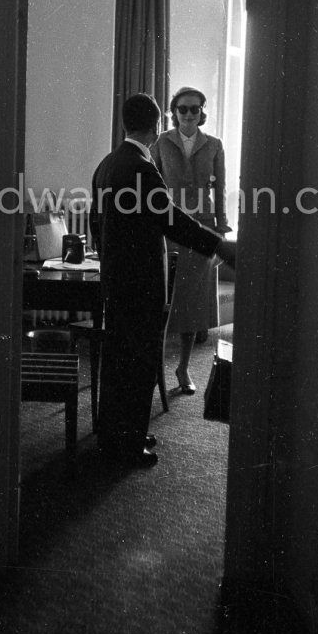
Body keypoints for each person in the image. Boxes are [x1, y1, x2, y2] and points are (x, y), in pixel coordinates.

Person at [90, 93, 235, 467]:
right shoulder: (141, 167)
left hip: (117, 281)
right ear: (156, 127)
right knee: (138, 363)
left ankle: (118, 431)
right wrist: (219, 244)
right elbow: (171, 219)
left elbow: (96, 225)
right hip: (140, 284)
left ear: (124, 123)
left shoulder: (107, 164)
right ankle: (128, 443)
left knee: (119, 361)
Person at [150, 86, 231, 394]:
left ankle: (183, 368)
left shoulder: (214, 145)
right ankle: (154, 364)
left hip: (202, 225)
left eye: (193, 109)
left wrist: (221, 224)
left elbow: (219, 188)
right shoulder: (160, 143)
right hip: (168, 225)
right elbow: (150, 186)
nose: (187, 114)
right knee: (161, 297)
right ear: (174, 112)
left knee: (192, 303)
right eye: (182, 109)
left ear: (202, 113)